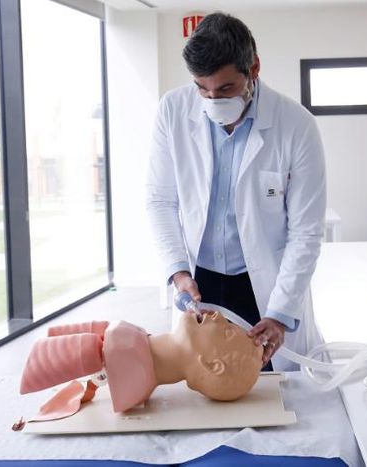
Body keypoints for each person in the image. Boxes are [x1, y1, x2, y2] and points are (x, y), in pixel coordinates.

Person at [146, 12, 326, 372]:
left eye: (225, 89)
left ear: (254, 68)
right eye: (202, 88)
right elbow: (160, 201)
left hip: (265, 284)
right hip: (200, 279)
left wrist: (280, 314)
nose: (212, 100)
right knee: (202, 382)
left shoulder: (297, 125)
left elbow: (306, 231)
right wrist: (179, 272)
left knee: (272, 390)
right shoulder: (173, 110)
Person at [20, 310, 263, 413]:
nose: (219, 316)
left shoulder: (128, 363)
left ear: (212, 364)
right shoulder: (129, 345)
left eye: (227, 332)